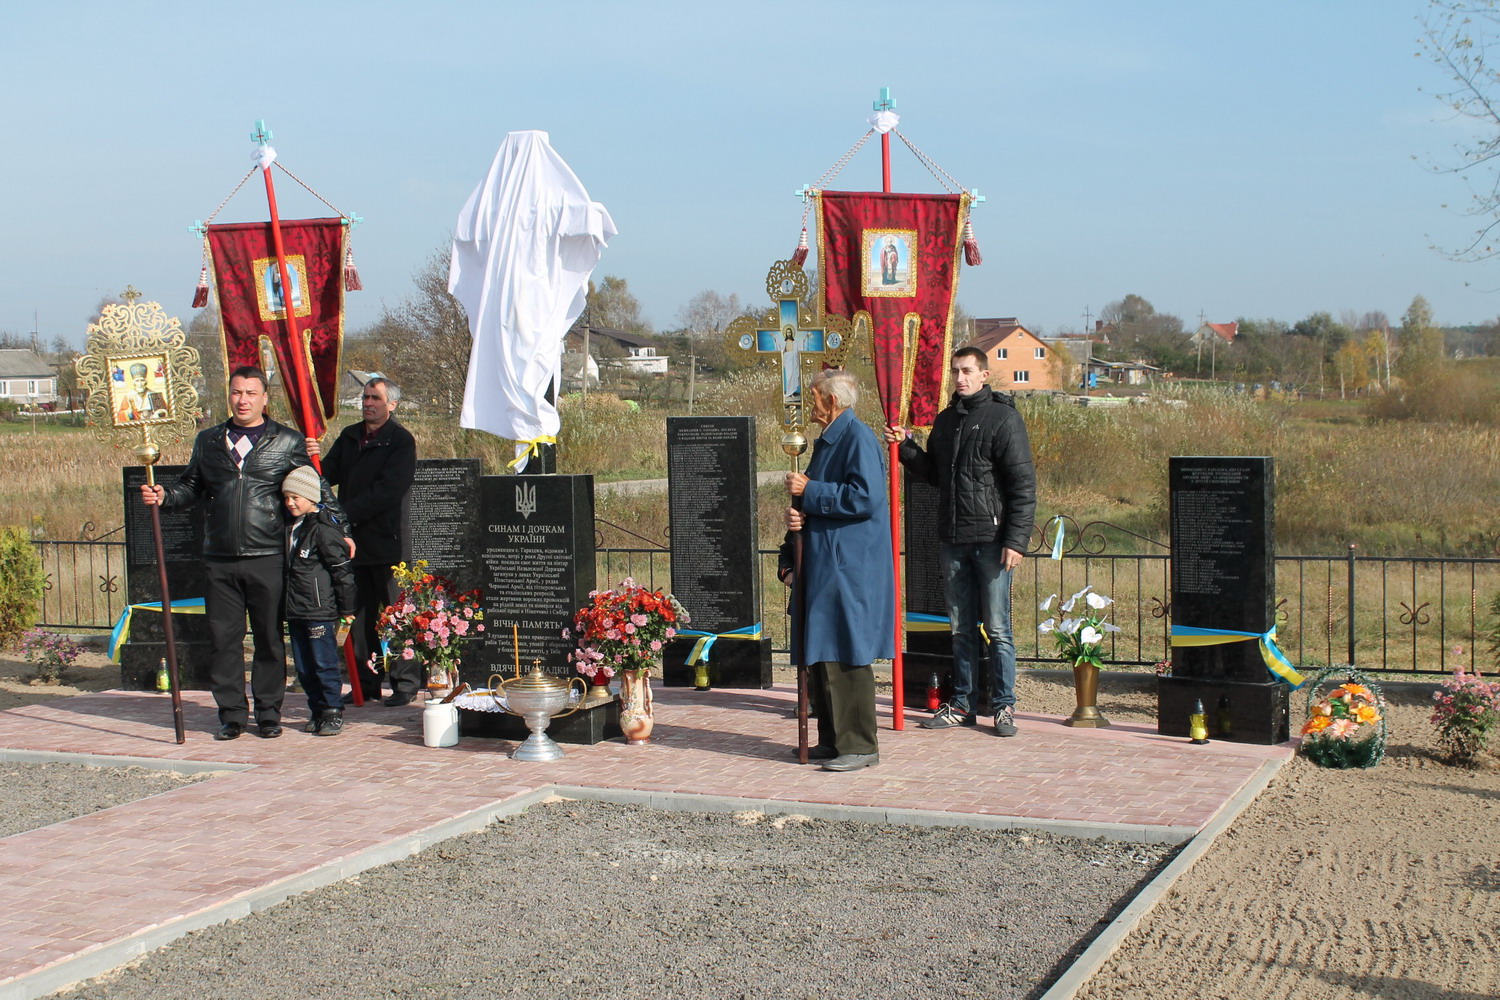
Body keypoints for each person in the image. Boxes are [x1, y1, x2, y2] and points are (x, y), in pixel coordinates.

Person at [142, 365, 347, 741]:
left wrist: (341, 530)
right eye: (237, 392)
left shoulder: (286, 441)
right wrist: (165, 496)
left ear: (264, 398)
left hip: (268, 556)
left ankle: (268, 714)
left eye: (251, 393)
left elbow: (316, 488)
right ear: (229, 395)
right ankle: (232, 715)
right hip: (219, 559)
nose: (243, 400)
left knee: (269, 640)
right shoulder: (208, 440)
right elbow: (191, 485)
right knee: (224, 643)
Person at [886, 346, 1036, 737]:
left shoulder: (1003, 418)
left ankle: (1003, 706)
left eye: (967, 371)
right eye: (955, 372)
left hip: (992, 540)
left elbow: (1022, 485)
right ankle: (963, 704)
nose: (960, 378)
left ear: (984, 375)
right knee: (960, 629)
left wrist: (1016, 541)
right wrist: (906, 446)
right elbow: (935, 475)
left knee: (998, 629)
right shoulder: (946, 419)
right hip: (953, 540)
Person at [780, 368, 894, 772]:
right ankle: (832, 739)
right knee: (823, 650)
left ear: (831, 400)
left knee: (846, 650)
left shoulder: (857, 437)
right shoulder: (829, 439)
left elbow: (865, 497)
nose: (809, 406)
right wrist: (800, 516)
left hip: (849, 566)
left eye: (813, 397)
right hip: (826, 562)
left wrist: (810, 491)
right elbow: (822, 497)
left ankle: (860, 745)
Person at [310, 375, 418, 706]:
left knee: (396, 615)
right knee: (357, 617)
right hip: (352, 543)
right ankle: (366, 682)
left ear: (392, 404)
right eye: (366, 397)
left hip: (388, 543)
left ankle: (405, 683)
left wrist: (343, 514)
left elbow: (388, 490)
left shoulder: (400, 441)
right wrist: (309, 459)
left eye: (375, 398)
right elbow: (326, 474)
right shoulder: (350, 436)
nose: (368, 403)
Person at [281, 466, 358, 737]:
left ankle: (332, 710)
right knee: (304, 667)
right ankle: (316, 709)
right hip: (296, 609)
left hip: (319, 610)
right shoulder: (291, 527)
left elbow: (342, 573)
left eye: (295, 498)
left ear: (311, 497)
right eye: (286, 498)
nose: (290, 503)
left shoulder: (324, 530)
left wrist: (347, 608)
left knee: (323, 663)